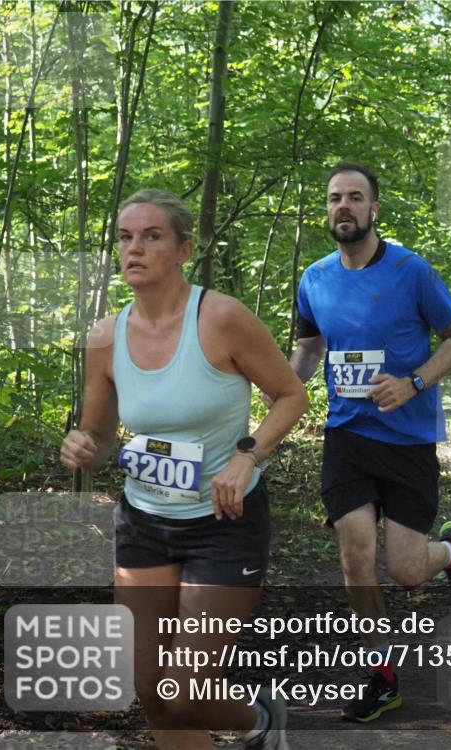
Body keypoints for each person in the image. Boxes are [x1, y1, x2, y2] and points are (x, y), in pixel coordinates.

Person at [60, 189, 308, 750]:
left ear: (183, 250)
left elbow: (292, 395)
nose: (134, 248)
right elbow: (100, 439)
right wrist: (82, 447)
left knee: (185, 693)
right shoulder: (104, 338)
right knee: (151, 690)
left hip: (224, 521)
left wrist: (246, 455)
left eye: (152, 236)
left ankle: (260, 716)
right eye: (125, 237)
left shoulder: (222, 319)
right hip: (144, 522)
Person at [286, 162, 451, 722]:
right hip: (347, 435)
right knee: (355, 554)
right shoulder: (314, 278)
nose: (343, 206)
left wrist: (413, 381)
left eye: (354, 197)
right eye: (334, 198)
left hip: (408, 439)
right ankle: (381, 676)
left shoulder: (411, 271)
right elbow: (309, 350)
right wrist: (276, 394)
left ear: (374, 209)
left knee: (405, 569)